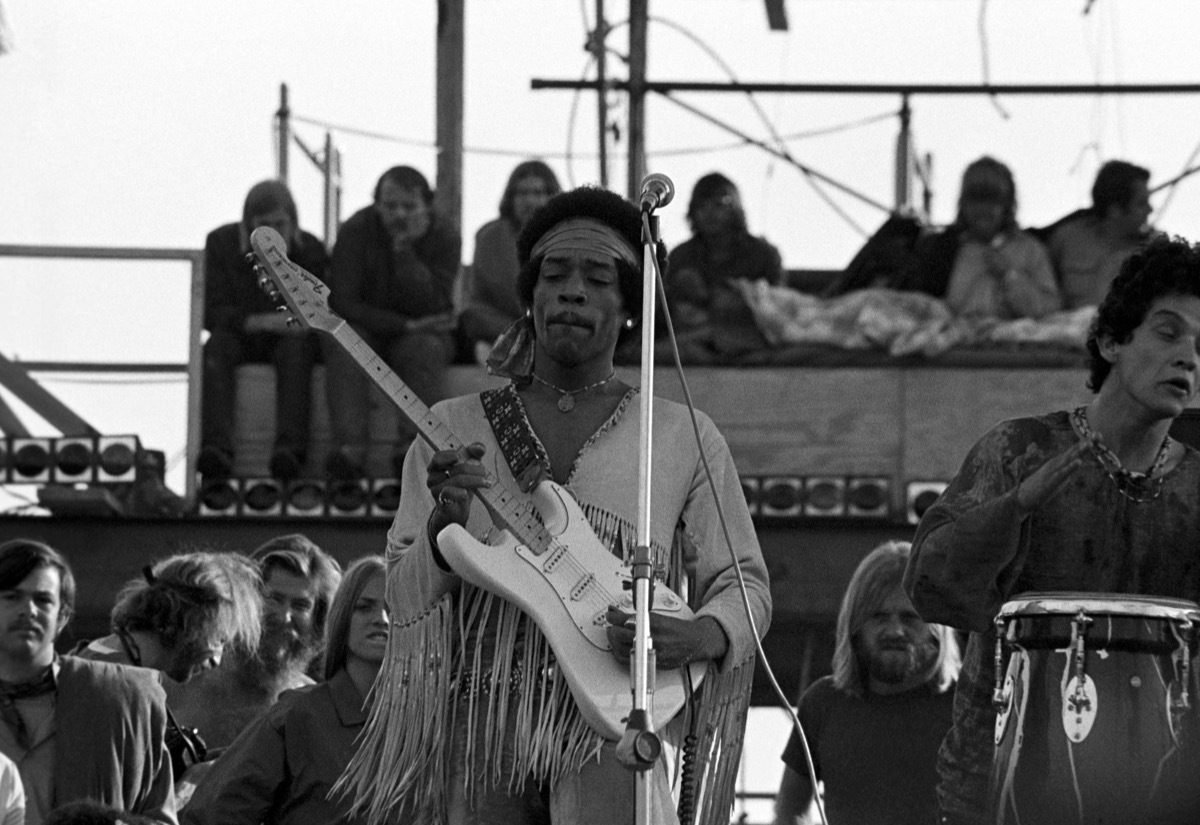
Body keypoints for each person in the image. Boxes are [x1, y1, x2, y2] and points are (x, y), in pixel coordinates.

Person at [337, 186, 772, 825]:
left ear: (631, 307)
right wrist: (443, 526)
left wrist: (701, 634)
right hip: (479, 734)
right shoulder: (449, 426)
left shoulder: (683, 435)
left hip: (617, 725)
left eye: (597, 279)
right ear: (530, 296)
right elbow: (401, 597)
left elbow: (745, 584)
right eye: (554, 275)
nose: (571, 291)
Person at [902, 236, 1200, 824]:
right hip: (1000, 792)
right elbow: (930, 586)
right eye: (1169, 333)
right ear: (1113, 341)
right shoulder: (1019, 450)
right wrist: (1012, 508)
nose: (1190, 356)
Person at [182, 556, 388, 825]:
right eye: (364, 607)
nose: (382, 619)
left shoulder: (434, 721)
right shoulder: (299, 716)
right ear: (342, 619)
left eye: (394, 607)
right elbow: (213, 814)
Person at [774, 541, 960, 825]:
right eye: (879, 617)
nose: (896, 630)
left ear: (936, 630)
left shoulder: (966, 709)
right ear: (855, 628)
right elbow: (790, 813)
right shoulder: (822, 704)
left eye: (910, 618)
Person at [0, 539, 177, 824]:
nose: (28, 610)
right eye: (11, 596)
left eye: (43, 600)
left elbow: (159, 818)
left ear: (63, 616)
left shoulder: (120, 702)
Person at [322, 165, 462, 481]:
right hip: (370, 325)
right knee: (344, 340)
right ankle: (349, 452)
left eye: (409, 206)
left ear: (426, 206)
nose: (398, 214)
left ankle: (413, 454)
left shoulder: (445, 236)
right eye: (389, 206)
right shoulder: (355, 231)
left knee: (425, 348)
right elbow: (342, 301)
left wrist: (406, 255)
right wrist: (403, 326)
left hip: (423, 333)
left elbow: (435, 302)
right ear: (376, 205)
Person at [198, 179, 330, 483]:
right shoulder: (221, 244)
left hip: (289, 340)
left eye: (280, 224)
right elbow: (210, 311)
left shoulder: (310, 250)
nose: (273, 233)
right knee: (216, 348)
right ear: (248, 226)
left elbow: (320, 312)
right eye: (264, 225)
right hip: (240, 336)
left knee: (298, 352)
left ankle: (291, 452)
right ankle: (216, 449)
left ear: (293, 224)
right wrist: (261, 322)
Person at [171, 534, 341, 753]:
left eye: (301, 605)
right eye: (273, 599)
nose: (284, 616)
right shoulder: (183, 678)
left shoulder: (312, 705)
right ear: (246, 600)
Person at [75, 551, 263, 691]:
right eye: (219, 639)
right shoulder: (128, 687)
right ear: (194, 621)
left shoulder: (93, 654)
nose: (216, 660)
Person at [901, 156, 1060, 319]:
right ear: (963, 204)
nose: (983, 210)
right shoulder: (944, 249)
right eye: (975, 200)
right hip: (955, 338)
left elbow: (1051, 310)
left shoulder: (1031, 250)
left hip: (1012, 339)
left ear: (1007, 205)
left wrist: (1010, 276)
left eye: (992, 201)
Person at [661, 172, 784, 360]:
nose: (710, 213)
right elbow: (666, 311)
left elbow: (775, 309)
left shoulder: (763, 254)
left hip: (749, 343)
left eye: (719, 204)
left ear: (736, 208)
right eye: (702, 206)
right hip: (690, 344)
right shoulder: (680, 257)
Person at [460, 160, 561, 362]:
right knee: (471, 317)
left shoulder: (568, 235)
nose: (530, 201)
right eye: (522, 193)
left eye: (538, 193)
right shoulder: (489, 236)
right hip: (505, 325)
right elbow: (477, 301)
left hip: (554, 322)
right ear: (511, 198)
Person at [1044, 159, 1155, 309]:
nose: (1150, 210)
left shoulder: (1153, 250)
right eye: (1141, 204)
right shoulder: (1067, 239)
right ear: (1115, 210)